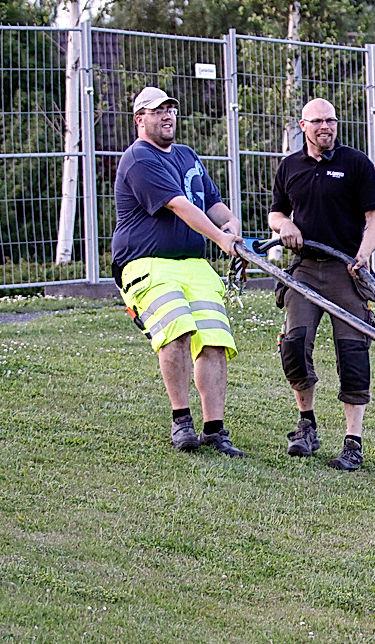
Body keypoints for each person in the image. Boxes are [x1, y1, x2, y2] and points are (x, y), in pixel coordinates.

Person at [112, 86, 245, 457]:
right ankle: (181, 421)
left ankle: (215, 430)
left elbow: (211, 202)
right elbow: (179, 205)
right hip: (148, 264)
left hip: (194, 265)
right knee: (178, 332)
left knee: (215, 340)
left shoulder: (187, 155)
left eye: (170, 109)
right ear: (140, 119)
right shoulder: (139, 159)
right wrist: (221, 238)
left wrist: (232, 225)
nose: (167, 115)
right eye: (157, 111)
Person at [268, 98, 375, 471]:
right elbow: (276, 211)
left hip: (345, 272)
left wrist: (363, 254)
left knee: (353, 352)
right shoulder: (290, 167)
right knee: (295, 343)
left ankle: (353, 442)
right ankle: (307, 425)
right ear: (303, 126)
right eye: (317, 121)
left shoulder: (355, 164)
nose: (325, 127)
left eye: (331, 120)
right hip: (304, 271)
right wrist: (283, 225)